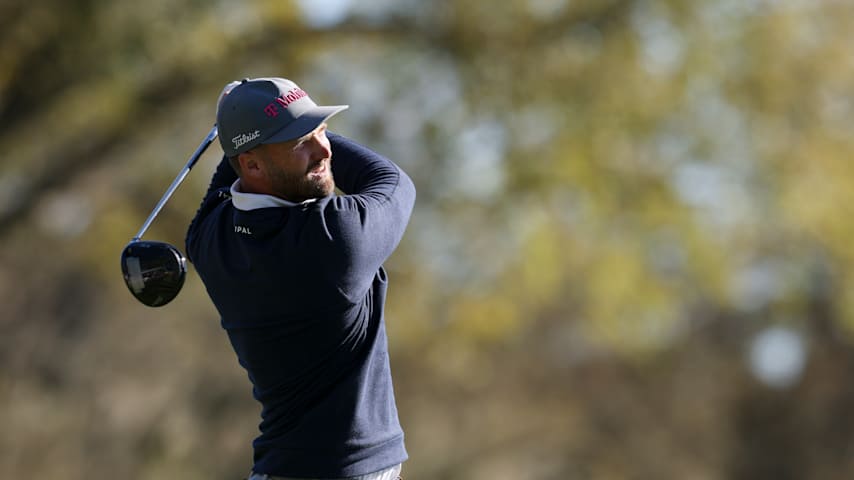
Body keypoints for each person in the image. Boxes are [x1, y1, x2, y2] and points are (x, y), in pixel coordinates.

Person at [186, 77, 415, 480]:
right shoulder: (334, 239)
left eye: (322, 132)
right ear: (254, 164)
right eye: (301, 142)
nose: (324, 149)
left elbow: (235, 159)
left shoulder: (209, 238)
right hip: (346, 471)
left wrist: (250, 120)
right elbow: (393, 181)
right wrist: (239, 116)